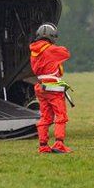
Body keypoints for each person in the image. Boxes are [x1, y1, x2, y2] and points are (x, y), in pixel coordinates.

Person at [29, 23, 73, 154]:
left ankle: (43, 145)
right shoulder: (50, 49)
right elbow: (66, 53)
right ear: (51, 36)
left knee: (45, 117)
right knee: (61, 116)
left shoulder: (33, 51)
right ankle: (59, 144)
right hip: (53, 88)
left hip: (41, 87)